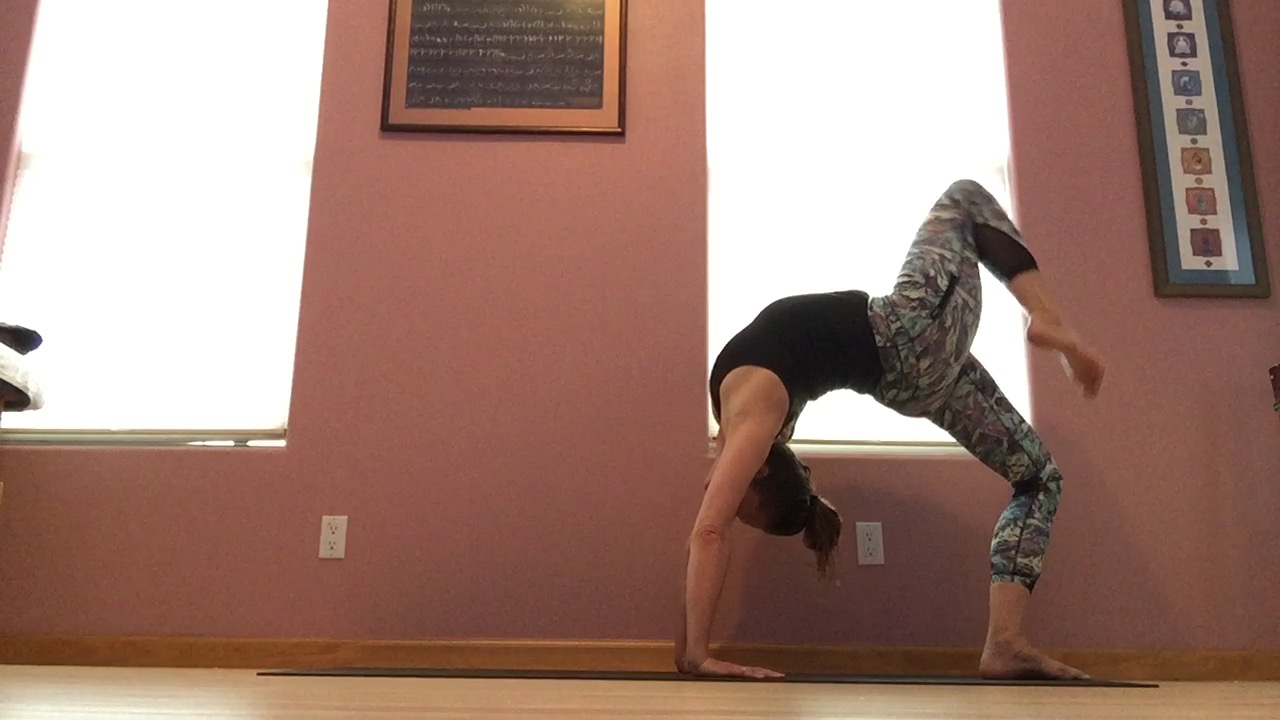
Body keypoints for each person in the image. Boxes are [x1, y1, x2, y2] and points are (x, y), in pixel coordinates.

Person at [675, 179, 1106, 681]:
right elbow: (709, 531)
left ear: (762, 471)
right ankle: (1047, 316)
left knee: (1039, 479)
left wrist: (687, 653)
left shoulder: (751, 417)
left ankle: (1005, 643)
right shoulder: (758, 416)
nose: (728, 503)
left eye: (740, 508)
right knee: (965, 199)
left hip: (916, 379)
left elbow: (704, 528)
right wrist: (697, 656)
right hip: (908, 338)